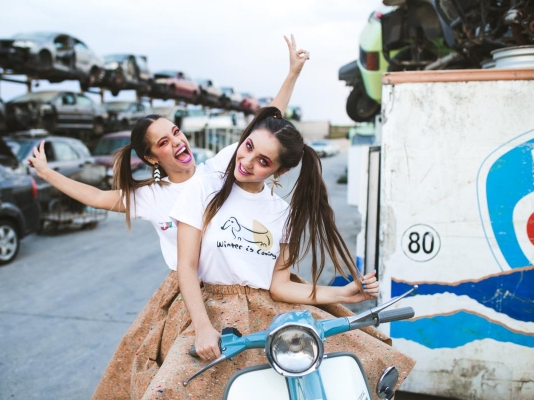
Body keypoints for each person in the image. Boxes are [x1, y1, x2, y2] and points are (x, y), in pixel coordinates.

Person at [27, 35, 316, 399]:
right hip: (189, 291)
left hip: (243, 285)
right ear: (151, 158)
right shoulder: (151, 196)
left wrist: (292, 73)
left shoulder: (219, 168)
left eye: (175, 132)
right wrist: (47, 173)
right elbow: (98, 197)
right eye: (163, 142)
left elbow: (267, 127)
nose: (177, 141)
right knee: (166, 377)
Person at [138, 107, 415, 399]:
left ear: (280, 171)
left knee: (339, 375)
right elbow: (186, 265)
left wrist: (343, 294)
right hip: (207, 310)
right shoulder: (203, 187)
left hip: (266, 315)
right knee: (165, 391)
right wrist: (203, 328)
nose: (247, 162)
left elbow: (280, 286)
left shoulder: (283, 214)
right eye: (248, 147)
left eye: (263, 161)